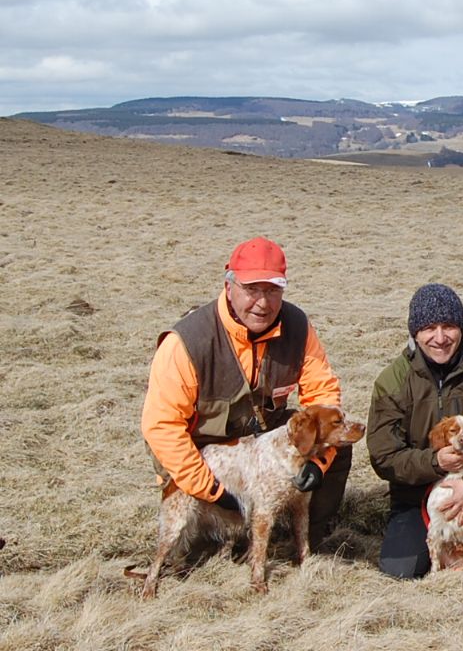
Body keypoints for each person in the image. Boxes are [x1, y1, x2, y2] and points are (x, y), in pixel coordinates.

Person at [140, 236, 351, 551]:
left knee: (336, 436)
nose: (263, 303)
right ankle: (210, 531)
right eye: (251, 290)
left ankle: (307, 540)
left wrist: (317, 465)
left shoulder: (298, 327)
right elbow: (163, 429)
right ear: (228, 286)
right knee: (193, 548)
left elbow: (323, 397)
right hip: (204, 456)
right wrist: (212, 490)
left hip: (258, 439)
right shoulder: (186, 342)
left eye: (272, 290)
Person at [366, 283, 463, 579]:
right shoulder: (392, 381)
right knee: (402, 569)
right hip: (415, 494)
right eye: (429, 328)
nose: (440, 338)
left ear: (461, 329)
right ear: (415, 333)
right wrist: (435, 463)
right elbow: (383, 456)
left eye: (449, 326)